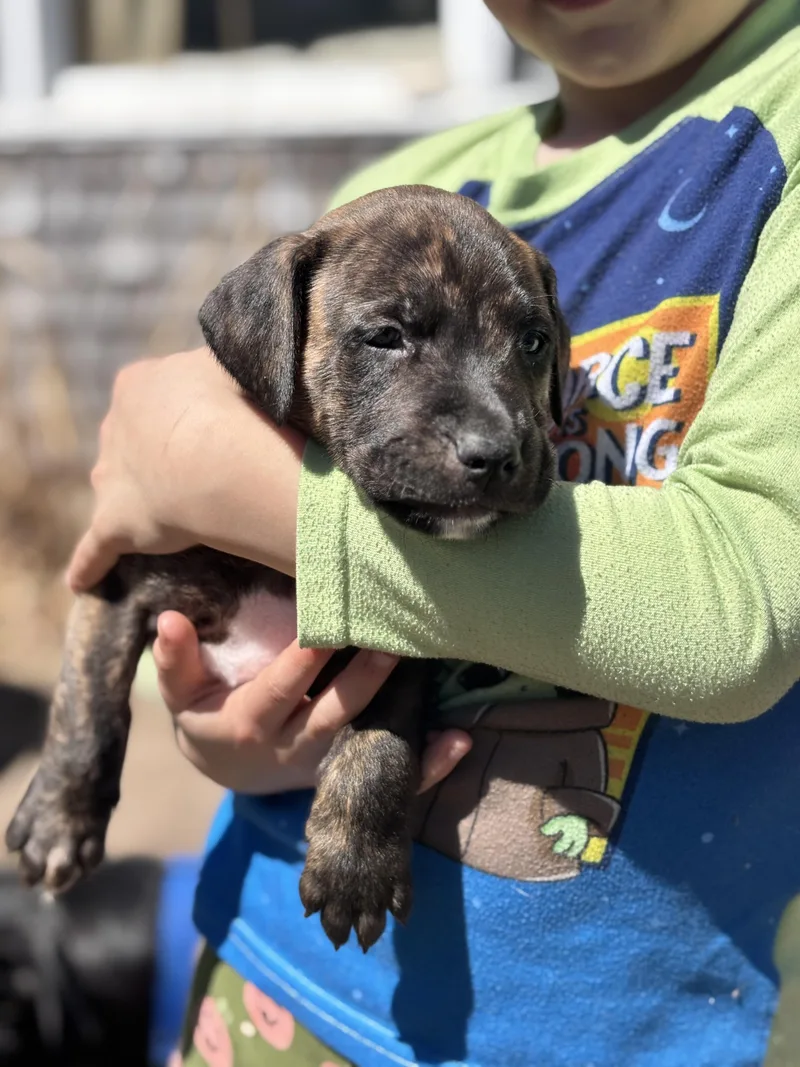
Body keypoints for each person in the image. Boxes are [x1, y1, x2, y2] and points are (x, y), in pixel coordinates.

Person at [67, 0, 800, 1063]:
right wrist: (216, 730)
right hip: (266, 972)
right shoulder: (413, 178)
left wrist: (208, 470)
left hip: (627, 1033)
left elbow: (736, 615)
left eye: (525, 349)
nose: (489, 426)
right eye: (390, 340)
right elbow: (196, 621)